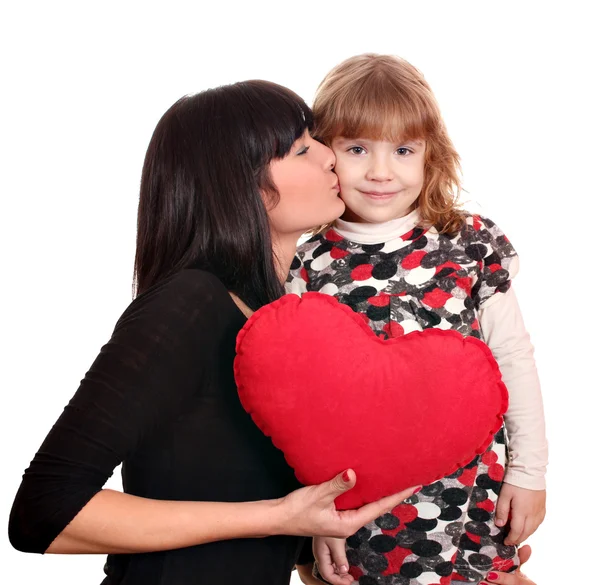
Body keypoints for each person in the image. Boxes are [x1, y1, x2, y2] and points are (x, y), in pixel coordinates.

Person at [8, 80, 421, 585]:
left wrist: (309, 547)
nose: (329, 157)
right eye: (300, 149)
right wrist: (278, 517)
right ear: (241, 186)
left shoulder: (273, 318)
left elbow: (222, 483)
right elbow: (43, 513)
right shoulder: (189, 304)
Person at [287, 54, 548, 585]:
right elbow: (304, 404)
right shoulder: (306, 262)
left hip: (473, 496)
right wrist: (315, 517)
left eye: (404, 150)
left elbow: (514, 358)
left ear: (432, 155)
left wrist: (529, 472)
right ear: (324, 154)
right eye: (357, 148)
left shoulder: (470, 243)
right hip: (360, 508)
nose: (381, 171)